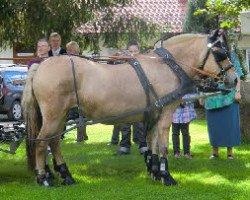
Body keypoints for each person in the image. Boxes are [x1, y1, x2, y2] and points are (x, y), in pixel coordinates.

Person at [205, 51, 243, 160]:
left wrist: (237, 91)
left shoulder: (231, 55)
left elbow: (237, 75)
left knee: (229, 124)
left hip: (229, 95)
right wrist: (202, 95)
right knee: (214, 125)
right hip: (212, 95)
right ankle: (215, 152)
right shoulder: (208, 56)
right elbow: (203, 76)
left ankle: (230, 153)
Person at [112, 40, 148, 155]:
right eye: (131, 51)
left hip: (139, 97)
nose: (133, 53)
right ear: (127, 51)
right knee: (125, 122)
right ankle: (124, 146)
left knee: (140, 122)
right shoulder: (123, 63)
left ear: (139, 50)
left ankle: (143, 145)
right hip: (125, 97)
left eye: (135, 51)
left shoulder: (143, 62)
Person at [66, 41, 88, 142]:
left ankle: (80, 137)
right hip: (71, 92)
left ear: (77, 51)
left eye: (73, 51)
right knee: (78, 115)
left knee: (81, 114)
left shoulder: (82, 61)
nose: (71, 52)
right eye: (69, 50)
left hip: (81, 91)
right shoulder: (66, 61)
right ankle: (83, 135)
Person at [172, 94, 197, 159]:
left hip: (185, 116)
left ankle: (187, 153)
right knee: (175, 134)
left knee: (186, 134)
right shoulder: (173, 86)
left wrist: (184, 101)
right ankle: (176, 153)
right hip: (175, 115)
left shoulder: (187, 87)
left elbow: (195, 96)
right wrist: (178, 101)